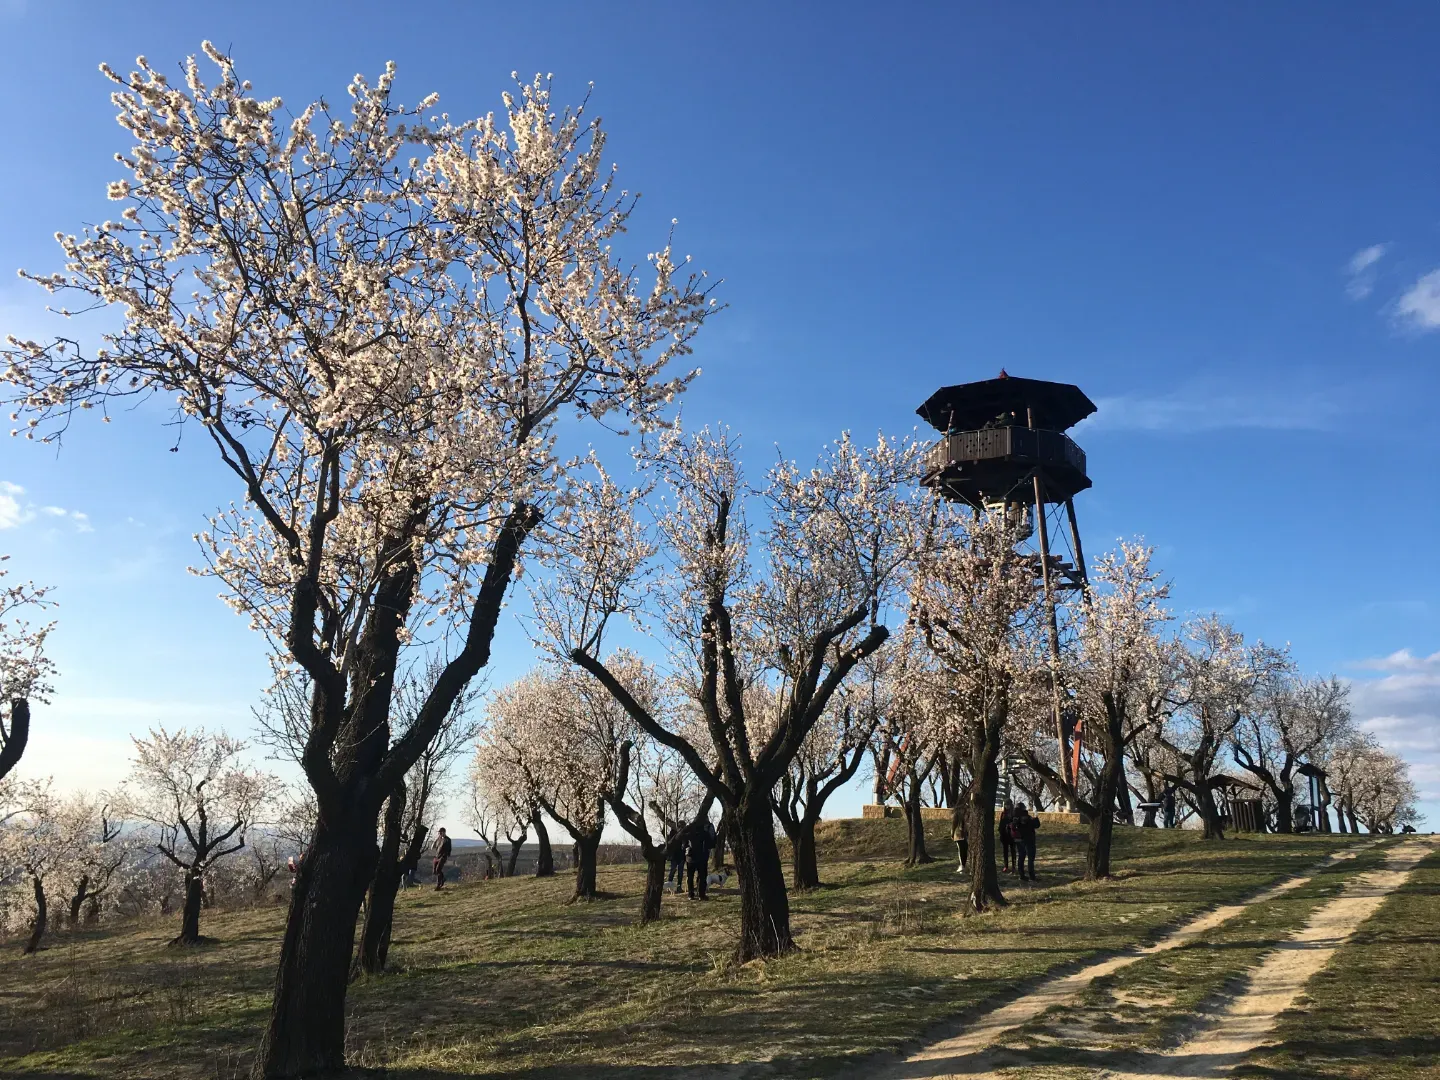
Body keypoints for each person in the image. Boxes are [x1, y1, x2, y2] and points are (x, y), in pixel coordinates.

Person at [687, 819, 714, 900]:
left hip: (690, 859)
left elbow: (684, 844)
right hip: (702, 858)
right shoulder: (705, 833)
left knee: (690, 877)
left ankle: (690, 894)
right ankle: (701, 895)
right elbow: (710, 844)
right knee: (702, 877)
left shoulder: (689, 833)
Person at [1013, 804, 1040, 881]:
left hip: (1018, 840)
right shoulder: (1027, 817)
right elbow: (1037, 825)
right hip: (1029, 840)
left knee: (1021, 858)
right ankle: (1032, 876)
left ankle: (1021, 875)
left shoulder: (1015, 817)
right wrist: (1036, 817)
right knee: (1030, 859)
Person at [667, 824, 688, 894]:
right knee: (672, 870)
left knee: (680, 872)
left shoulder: (685, 834)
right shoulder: (673, 832)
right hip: (674, 855)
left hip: (681, 856)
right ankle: (669, 886)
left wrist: (684, 846)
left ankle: (679, 886)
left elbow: (686, 843)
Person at [432, 827, 453, 891]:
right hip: (437, 856)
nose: (440, 833)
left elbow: (449, 849)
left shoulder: (447, 840)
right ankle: (443, 878)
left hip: (443, 856)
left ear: (444, 832)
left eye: (441, 832)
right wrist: (436, 839)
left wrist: (446, 855)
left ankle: (438, 886)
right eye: (439, 832)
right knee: (434, 871)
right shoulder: (439, 839)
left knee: (438, 870)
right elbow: (432, 847)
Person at [998, 799, 1016, 873]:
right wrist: (1001, 832)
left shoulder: (1013, 813)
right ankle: (1006, 866)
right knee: (1005, 852)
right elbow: (1001, 824)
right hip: (1005, 835)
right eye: (1006, 805)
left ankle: (1014, 866)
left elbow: (1015, 824)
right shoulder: (1003, 813)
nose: (1007, 806)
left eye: (1008, 804)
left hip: (1012, 835)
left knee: (1013, 851)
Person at [951, 803, 969, 875]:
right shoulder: (965, 813)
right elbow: (954, 824)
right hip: (962, 834)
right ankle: (963, 865)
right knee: (963, 850)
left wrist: (952, 833)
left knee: (962, 850)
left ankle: (962, 865)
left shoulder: (958, 813)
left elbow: (954, 824)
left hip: (960, 834)